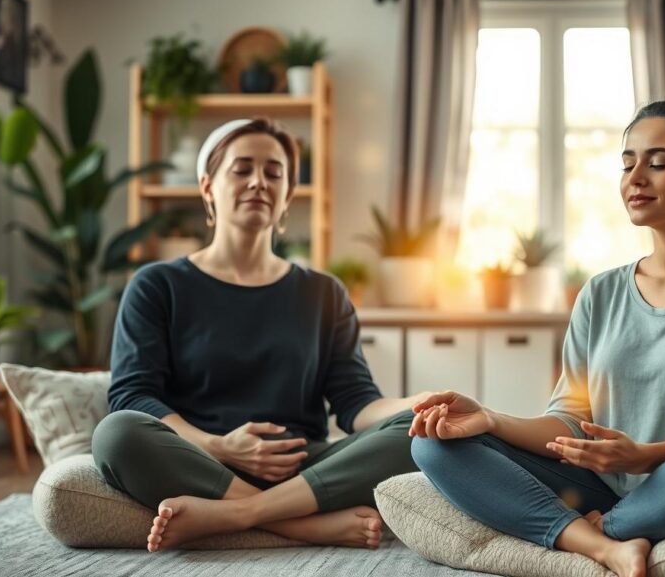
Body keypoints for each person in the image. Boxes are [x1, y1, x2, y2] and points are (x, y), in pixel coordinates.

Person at [409, 73, 665, 577]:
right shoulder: (601, 291)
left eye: (658, 163)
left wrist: (645, 456)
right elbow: (570, 421)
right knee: (432, 443)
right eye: (627, 163)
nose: (635, 178)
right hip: (599, 484)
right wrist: (489, 418)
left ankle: (600, 531)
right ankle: (601, 544)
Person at [91, 118, 426, 552]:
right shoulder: (157, 285)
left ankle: (241, 515)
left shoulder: (323, 292)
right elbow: (134, 396)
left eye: (274, 172)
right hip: (201, 461)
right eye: (242, 169)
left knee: (414, 432)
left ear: (287, 194)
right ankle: (302, 526)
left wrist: (418, 403)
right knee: (116, 433)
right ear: (208, 185)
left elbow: (356, 402)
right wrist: (222, 447)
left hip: (307, 468)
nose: (258, 182)